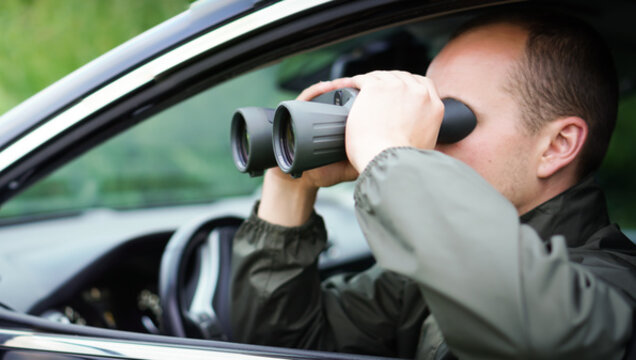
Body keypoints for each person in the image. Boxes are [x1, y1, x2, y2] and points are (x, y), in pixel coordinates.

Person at [230, 8, 636, 360]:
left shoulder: (616, 288)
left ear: (556, 146)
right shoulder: (428, 274)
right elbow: (281, 347)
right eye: (424, 112)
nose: (423, 136)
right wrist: (291, 183)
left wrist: (388, 154)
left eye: (448, 119)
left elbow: (538, 331)